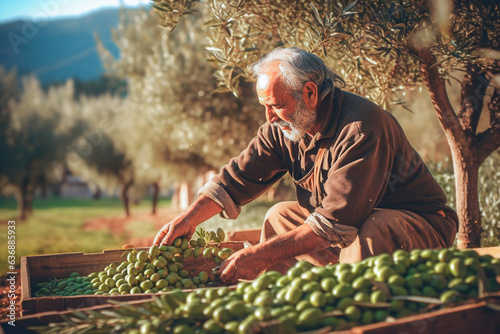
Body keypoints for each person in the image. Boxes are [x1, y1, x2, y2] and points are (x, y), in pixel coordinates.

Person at [153, 47, 458, 284]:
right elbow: (236, 178)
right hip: (348, 227)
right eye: (265, 107)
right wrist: (188, 219)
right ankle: (278, 302)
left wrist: (258, 255)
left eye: (277, 105)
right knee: (279, 216)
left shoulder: (361, 129)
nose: (269, 118)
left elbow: (335, 222)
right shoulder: (284, 127)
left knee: (372, 229)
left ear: (310, 93)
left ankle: (351, 307)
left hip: (418, 227)